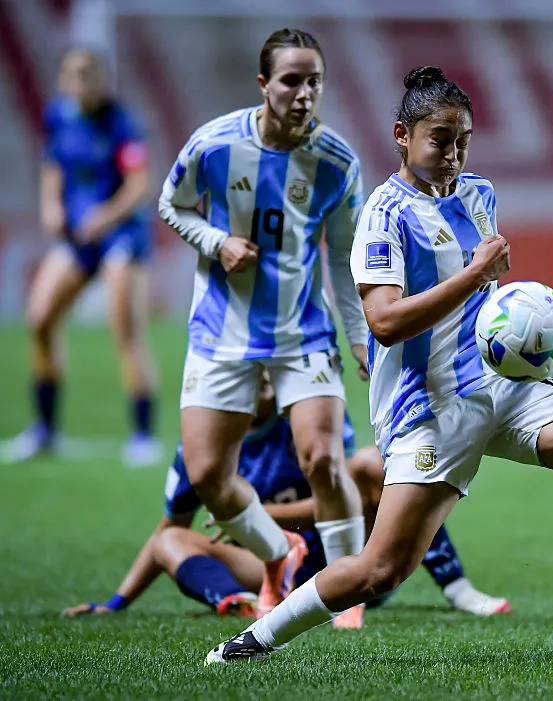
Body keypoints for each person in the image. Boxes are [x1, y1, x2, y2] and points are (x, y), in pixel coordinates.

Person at [204, 66, 553, 664]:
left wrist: (514, 321)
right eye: (440, 139)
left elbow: (481, 300)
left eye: (464, 140)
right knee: (380, 570)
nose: (453, 153)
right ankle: (253, 641)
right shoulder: (383, 215)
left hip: (505, 385)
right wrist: (476, 274)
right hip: (430, 408)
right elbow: (384, 322)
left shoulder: (478, 194)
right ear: (402, 136)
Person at [156, 28, 368, 621]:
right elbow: (171, 204)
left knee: (323, 459)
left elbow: (345, 259)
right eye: (291, 81)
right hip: (221, 331)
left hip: (302, 334)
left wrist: (359, 335)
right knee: (208, 476)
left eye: (314, 82)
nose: (304, 93)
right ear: (263, 84)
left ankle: (345, 594)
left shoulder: (337, 162)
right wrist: (216, 240)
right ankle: (280, 553)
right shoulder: (213, 145)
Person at [61, 375, 509, 622]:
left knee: (378, 468)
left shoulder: (306, 424)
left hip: (345, 560)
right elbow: (167, 528)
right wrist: (115, 603)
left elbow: (348, 500)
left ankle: (457, 588)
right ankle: (242, 604)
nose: (262, 376)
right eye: (249, 368)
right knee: (169, 542)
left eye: (268, 367)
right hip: (270, 566)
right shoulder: (200, 449)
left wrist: (257, 515)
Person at [6, 48, 159, 467]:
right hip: (79, 237)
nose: (81, 82)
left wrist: (105, 217)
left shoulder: (123, 123)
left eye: (89, 74)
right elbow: (53, 165)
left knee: (124, 328)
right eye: (73, 74)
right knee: (40, 319)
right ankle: (45, 431)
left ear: (104, 80)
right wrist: (51, 205)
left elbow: (139, 185)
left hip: (121, 235)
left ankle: (143, 435)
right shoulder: (59, 116)